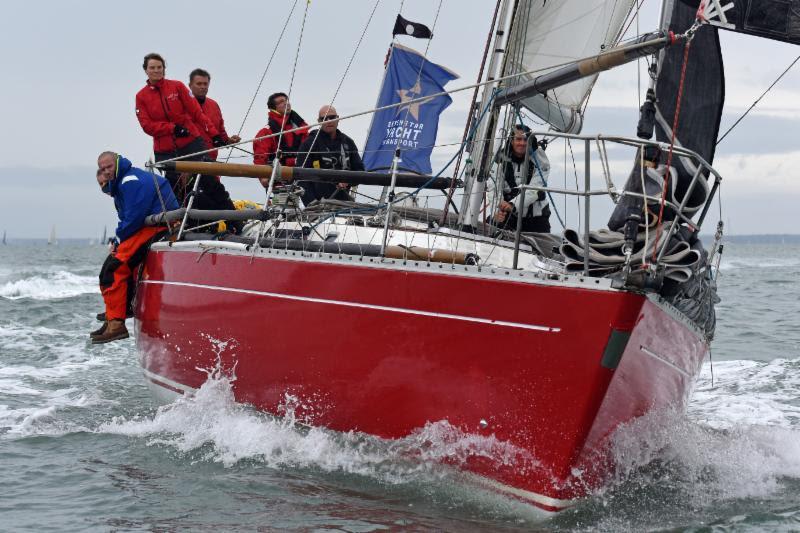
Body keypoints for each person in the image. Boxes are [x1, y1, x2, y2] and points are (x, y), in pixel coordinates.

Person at [135, 53, 241, 231]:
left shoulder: (177, 87)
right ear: (145, 70)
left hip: (191, 143)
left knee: (211, 183)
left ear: (164, 68)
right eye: (152, 68)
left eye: (159, 67)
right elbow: (147, 126)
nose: (156, 71)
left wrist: (215, 135)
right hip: (165, 150)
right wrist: (172, 128)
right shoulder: (141, 96)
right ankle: (189, 228)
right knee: (177, 191)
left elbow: (196, 113)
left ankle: (235, 223)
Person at [90, 151, 178, 344]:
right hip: (149, 225)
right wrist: (118, 240)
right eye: (102, 170)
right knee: (112, 267)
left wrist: (118, 240)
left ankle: (116, 323)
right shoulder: (123, 184)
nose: (106, 173)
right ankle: (115, 314)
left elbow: (134, 217)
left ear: (118, 163)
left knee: (113, 268)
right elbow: (129, 219)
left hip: (158, 225)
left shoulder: (129, 181)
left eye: (109, 167)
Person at [296, 105, 364, 205]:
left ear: (338, 118)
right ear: (319, 121)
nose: (328, 120)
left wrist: (348, 180)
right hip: (317, 205)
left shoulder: (348, 142)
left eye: (331, 117)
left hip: (344, 203)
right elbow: (300, 177)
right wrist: (311, 204)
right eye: (324, 118)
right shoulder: (309, 144)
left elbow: (360, 171)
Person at [489, 125, 552, 233]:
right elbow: (493, 187)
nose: (522, 143)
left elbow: (534, 189)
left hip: (536, 219)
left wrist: (512, 205)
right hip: (508, 215)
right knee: (491, 226)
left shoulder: (540, 159)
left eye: (525, 140)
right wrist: (497, 210)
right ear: (511, 141)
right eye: (518, 139)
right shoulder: (499, 159)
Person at [188, 68, 241, 161]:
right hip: (187, 159)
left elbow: (221, 133)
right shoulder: (181, 105)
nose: (203, 87)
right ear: (190, 85)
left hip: (210, 160)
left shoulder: (214, 105)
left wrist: (229, 141)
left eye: (205, 84)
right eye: (199, 84)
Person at [253, 92, 309, 180]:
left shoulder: (301, 127)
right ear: (273, 108)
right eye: (281, 102)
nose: (286, 103)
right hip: (279, 177)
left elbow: (310, 148)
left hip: (303, 174)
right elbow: (260, 157)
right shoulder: (266, 132)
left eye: (287, 100)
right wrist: (262, 177)